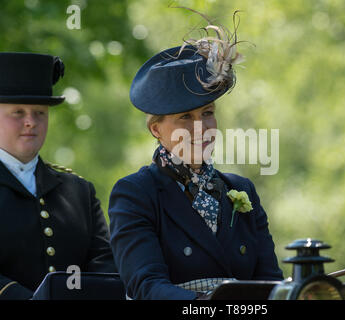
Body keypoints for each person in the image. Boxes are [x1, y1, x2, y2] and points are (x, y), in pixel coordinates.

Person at [108, 15, 283, 300]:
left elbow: (270, 286)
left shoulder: (242, 190)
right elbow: (147, 287)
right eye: (185, 117)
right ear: (156, 129)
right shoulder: (135, 193)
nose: (200, 127)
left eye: (208, 113)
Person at [0, 52, 116, 300]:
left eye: (40, 112)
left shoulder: (79, 191)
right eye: (18, 112)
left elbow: (104, 265)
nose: (31, 121)